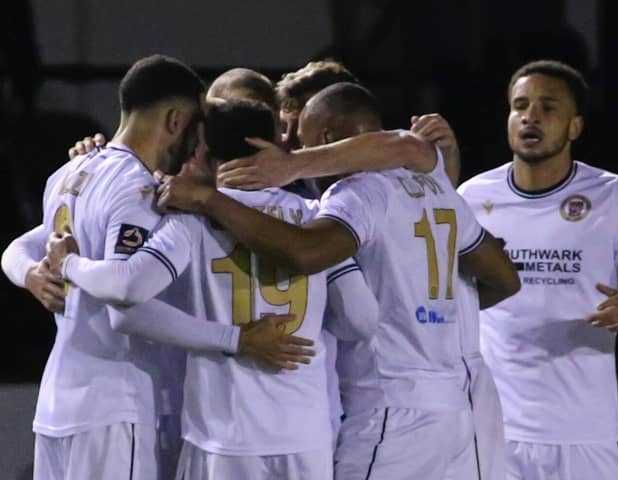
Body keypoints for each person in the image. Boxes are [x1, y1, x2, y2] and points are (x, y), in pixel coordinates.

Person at [154, 82, 521, 479]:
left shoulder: (357, 193)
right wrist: (430, 311)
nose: (292, 147)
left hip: (393, 409)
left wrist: (210, 199)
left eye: (300, 138)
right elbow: (504, 280)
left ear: (326, 137)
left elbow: (306, 253)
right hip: (463, 409)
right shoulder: (437, 189)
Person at [0, 55, 308, 480]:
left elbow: (19, 247)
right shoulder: (141, 189)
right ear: (176, 120)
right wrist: (235, 339)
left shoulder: (69, 172)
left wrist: (33, 273)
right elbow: (126, 304)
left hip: (60, 398)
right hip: (116, 400)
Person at [46, 98, 378, 480]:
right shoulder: (314, 219)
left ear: (204, 150)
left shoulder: (193, 220)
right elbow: (362, 319)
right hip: (305, 436)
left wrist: (68, 264)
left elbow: (129, 292)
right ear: (272, 147)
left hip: (222, 437)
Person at [457, 59, 618, 480]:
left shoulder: (615, 197)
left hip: (583, 434)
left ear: (575, 126)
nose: (530, 116)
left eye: (548, 106)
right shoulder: (471, 198)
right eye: (520, 105)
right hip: (493, 430)